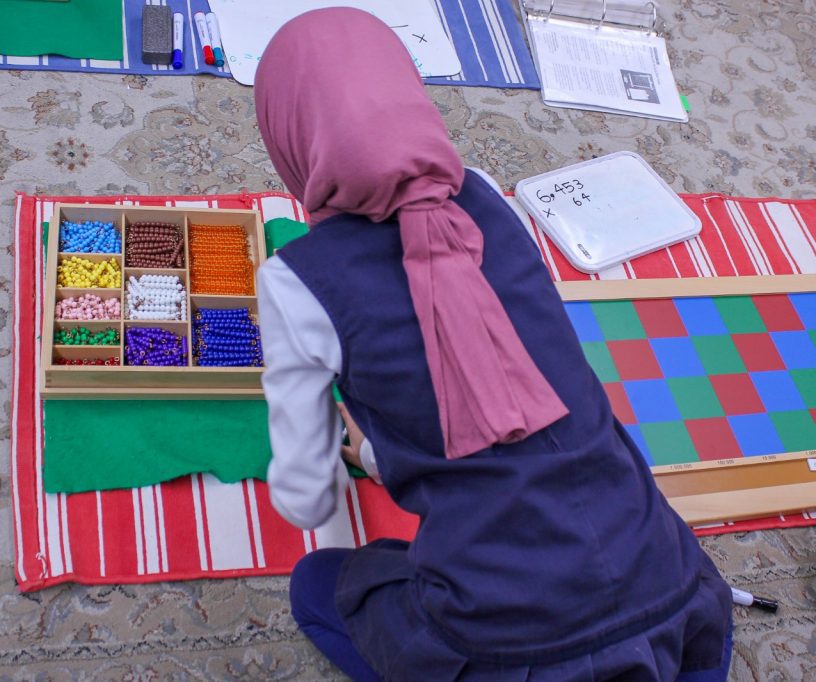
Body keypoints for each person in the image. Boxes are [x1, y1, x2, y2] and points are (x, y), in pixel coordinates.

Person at [252, 8, 733, 682]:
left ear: (288, 135)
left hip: (517, 646)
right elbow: (503, 359)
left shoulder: (295, 281)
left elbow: (306, 498)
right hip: (676, 595)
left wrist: (371, 445)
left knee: (320, 584)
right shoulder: (484, 196)